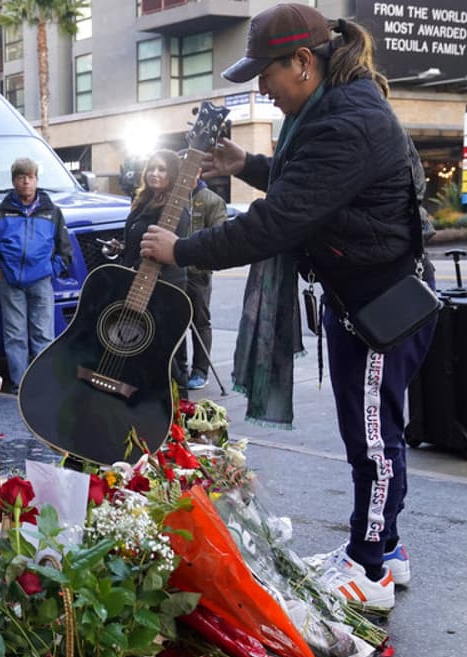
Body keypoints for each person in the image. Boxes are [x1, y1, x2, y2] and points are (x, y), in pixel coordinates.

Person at [139, 3, 434, 610]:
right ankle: (385, 549)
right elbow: (313, 189)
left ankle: (371, 567)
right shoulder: (335, 109)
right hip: (364, 298)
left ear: (303, 61)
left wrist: (182, 249)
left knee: (374, 441)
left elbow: (278, 223)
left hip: (382, 308)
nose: (262, 90)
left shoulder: (344, 122)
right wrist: (246, 165)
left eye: (265, 74)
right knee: (370, 435)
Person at [0, 157, 72, 389]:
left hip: (41, 281)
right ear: (13, 181)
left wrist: (51, 269)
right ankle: (20, 385)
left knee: (43, 335)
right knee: (15, 336)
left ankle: (43, 385)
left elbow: (64, 249)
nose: (26, 182)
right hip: (10, 282)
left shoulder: (53, 213)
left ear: (37, 180)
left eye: (30, 177)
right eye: (21, 177)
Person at [119, 149, 192, 394]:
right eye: (151, 168)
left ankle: (176, 399)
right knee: (138, 344)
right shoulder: (142, 202)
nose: (155, 174)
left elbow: (172, 248)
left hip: (163, 285)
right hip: (134, 279)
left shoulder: (175, 209)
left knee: (162, 346)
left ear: (173, 174)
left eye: (162, 169)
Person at [178, 178, 228, 391]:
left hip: (197, 273)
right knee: (176, 323)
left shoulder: (211, 200)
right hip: (173, 272)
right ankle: (179, 369)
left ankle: (200, 370)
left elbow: (220, 235)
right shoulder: (173, 197)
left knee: (199, 321)